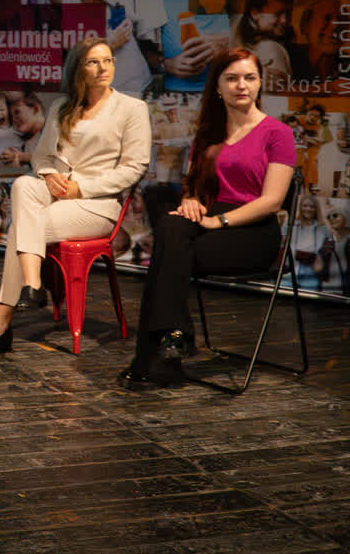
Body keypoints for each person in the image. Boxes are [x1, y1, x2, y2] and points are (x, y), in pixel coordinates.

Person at [117, 49, 295, 389]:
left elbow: (272, 201)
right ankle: (173, 337)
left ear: (260, 83)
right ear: (217, 86)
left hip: (254, 232)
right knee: (171, 223)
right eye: (232, 78)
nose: (241, 85)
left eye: (249, 78)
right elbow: (196, 189)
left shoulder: (278, 134)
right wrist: (191, 200)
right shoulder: (209, 133)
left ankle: (152, 355)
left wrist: (218, 222)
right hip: (208, 220)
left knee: (168, 254)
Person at [0, 37, 151, 357]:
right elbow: (41, 157)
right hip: (56, 192)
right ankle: (32, 281)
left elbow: (135, 168)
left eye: (108, 60)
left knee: (21, 227)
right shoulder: (62, 107)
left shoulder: (132, 108)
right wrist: (49, 175)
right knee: (23, 186)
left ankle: (2, 319)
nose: (103, 67)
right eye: (93, 62)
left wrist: (81, 188)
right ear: (78, 68)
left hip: (97, 204)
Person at [58, 0, 153, 95]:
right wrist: (111, 43)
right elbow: (76, 59)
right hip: (112, 93)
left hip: (143, 83)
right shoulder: (69, 9)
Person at [232, 0, 293, 94]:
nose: (285, 21)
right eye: (278, 14)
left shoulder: (282, 41)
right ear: (255, 13)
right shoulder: (230, 29)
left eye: (288, 14)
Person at [290, 0, 341, 81]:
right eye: (327, 18)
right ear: (306, 25)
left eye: (341, 19)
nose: (336, 25)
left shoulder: (346, 63)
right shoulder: (288, 56)